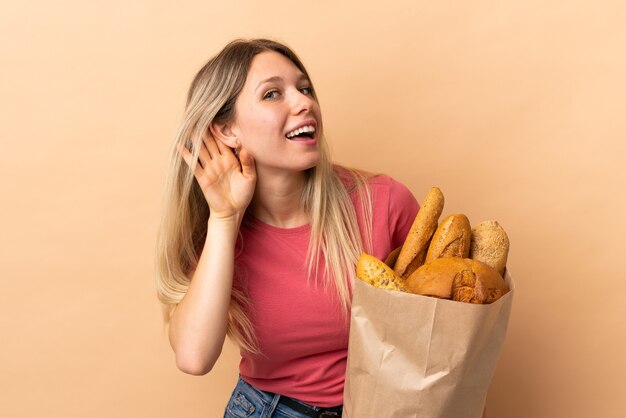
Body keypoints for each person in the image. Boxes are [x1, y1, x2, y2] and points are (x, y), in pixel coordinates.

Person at [155, 38, 419, 418]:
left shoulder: (385, 202)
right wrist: (225, 219)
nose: (303, 102)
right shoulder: (218, 236)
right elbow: (194, 357)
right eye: (273, 94)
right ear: (228, 130)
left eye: (305, 88)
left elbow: (449, 331)